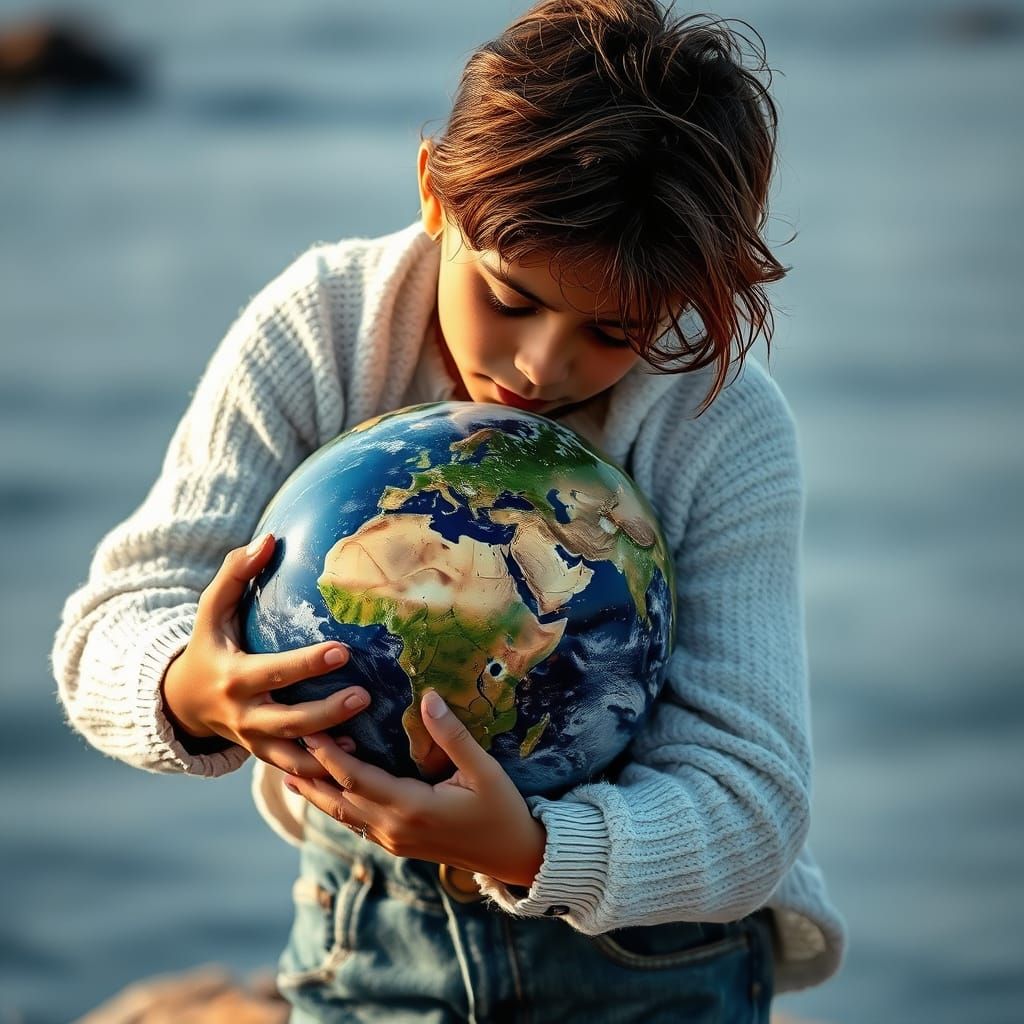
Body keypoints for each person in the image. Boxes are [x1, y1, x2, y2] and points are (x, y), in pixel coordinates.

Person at [52, 1, 846, 1020]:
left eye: (611, 330)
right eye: (510, 296)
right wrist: (190, 686)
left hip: (653, 963)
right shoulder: (327, 328)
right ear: (434, 189)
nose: (538, 364)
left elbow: (747, 810)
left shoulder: (719, 425)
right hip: (372, 933)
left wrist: (527, 846)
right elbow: (109, 621)